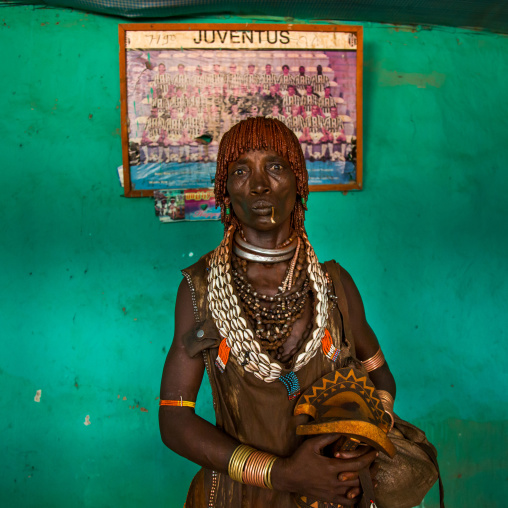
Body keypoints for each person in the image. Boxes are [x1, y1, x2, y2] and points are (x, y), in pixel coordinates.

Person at [159, 118, 399, 507]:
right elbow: (173, 419)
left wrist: (364, 433)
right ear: (224, 189)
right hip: (238, 496)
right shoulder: (200, 289)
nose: (258, 185)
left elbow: (382, 380)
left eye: (274, 167)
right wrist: (281, 473)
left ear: (299, 181)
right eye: (240, 171)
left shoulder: (334, 286)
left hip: (334, 493)